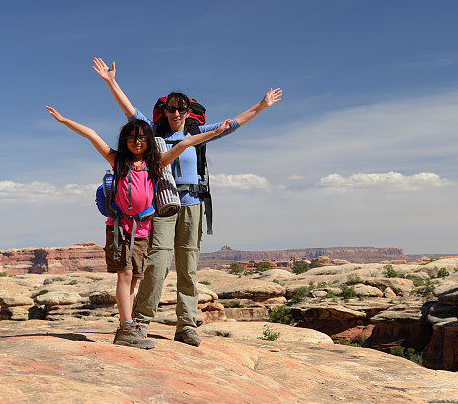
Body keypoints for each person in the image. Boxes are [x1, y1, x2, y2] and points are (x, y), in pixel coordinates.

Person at [92, 57, 282, 347]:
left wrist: (262, 105)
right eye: (172, 109)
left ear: (189, 112)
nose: (177, 113)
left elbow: (234, 124)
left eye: (182, 109)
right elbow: (129, 109)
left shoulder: (197, 133)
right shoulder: (152, 132)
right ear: (165, 111)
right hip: (163, 206)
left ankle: (186, 325)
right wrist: (111, 81)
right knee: (156, 262)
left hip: (193, 203)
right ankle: (140, 323)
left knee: (188, 264)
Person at [45, 105, 232, 348]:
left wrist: (217, 131)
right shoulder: (117, 160)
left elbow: (185, 144)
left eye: (142, 138)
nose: (138, 142)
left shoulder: (155, 163)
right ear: (125, 141)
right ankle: (125, 328)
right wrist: (63, 120)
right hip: (121, 228)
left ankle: (129, 325)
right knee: (125, 276)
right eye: (132, 138)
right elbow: (91, 134)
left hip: (143, 231)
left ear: (149, 141)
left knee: (133, 279)